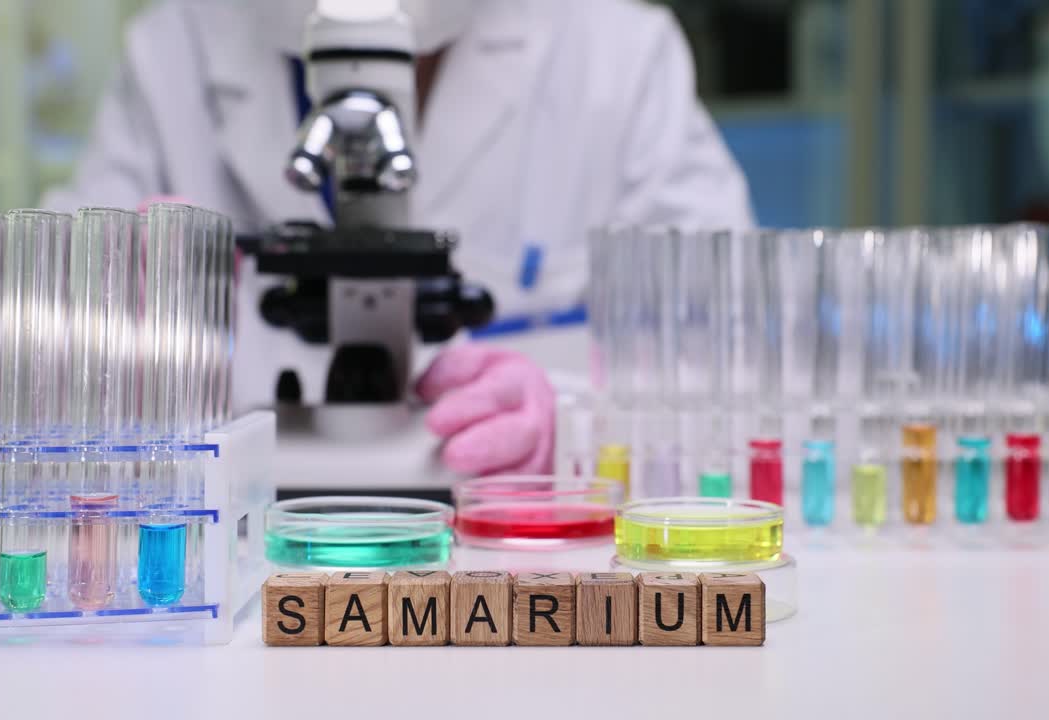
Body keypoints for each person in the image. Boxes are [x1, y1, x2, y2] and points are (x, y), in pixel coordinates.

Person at [43, 0, 756, 476]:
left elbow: (740, 356)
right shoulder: (174, 49)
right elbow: (28, 338)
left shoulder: (619, 58)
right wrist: (106, 308)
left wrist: (573, 423)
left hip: (514, 564)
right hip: (249, 552)